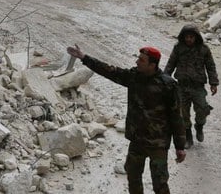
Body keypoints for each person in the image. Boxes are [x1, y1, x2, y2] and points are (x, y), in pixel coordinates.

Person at [67, 45, 186, 194]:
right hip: (137, 140)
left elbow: (176, 117)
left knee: (160, 184)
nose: (137, 62)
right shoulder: (134, 76)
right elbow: (109, 71)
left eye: (141, 60)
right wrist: (84, 57)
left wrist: (180, 146)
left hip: (158, 144)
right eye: (138, 59)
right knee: (133, 177)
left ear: (152, 65)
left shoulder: (168, 85)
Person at [164, 25, 219, 149]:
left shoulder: (204, 49)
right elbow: (170, 64)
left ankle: (199, 126)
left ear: (196, 37)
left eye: (191, 37)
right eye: (186, 37)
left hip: (198, 87)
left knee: (202, 109)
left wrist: (213, 83)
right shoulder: (178, 48)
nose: (189, 39)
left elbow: (211, 66)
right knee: (183, 113)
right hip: (182, 86)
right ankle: (188, 136)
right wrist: (164, 80)